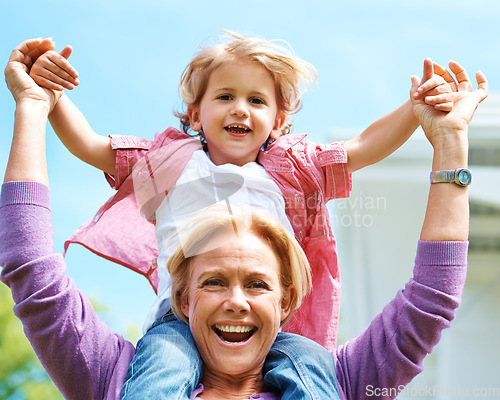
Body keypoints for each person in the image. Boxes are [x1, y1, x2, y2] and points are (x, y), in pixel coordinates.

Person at [0, 38, 487, 400]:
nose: (240, 109)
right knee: (163, 365)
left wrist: (421, 114)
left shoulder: (293, 170)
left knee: (309, 359)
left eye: (257, 101)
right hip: (171, 323)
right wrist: (44, 101)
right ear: (195, 111)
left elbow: (363, 149)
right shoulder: (166, 160)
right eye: (225, 97)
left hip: (292, 341)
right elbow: (89, 149)